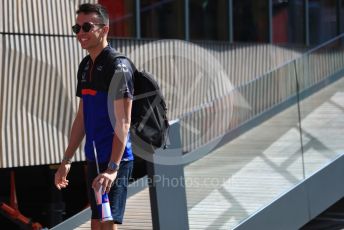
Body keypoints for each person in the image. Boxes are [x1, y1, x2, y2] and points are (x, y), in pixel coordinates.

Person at [54, 3, 134, 230]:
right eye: (76, 28)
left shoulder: (119, 66)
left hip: (114, 161)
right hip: (94, 159)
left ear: (105, 29)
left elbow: (123, 122)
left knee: (107, 223)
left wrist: (112, 168)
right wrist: (66, 161)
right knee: (97, 223)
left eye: (86, 27)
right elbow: (82, 117)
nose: (80, 34)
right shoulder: (85, 65)